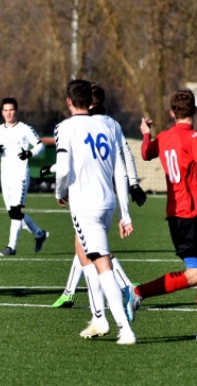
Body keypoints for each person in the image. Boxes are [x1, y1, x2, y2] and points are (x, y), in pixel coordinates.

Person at [125, 89, 197, 342]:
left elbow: (146, 153)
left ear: (171, 113)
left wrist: (146, 134)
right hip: (191, 216)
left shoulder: (165, 136)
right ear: (196, 111)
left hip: (177, 215)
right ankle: (137, 292)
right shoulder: (194, 138)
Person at [54, 79, 136, 344]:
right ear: (90, 100)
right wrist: (125, 213)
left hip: (85, 206)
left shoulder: (65, 127)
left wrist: (59, 191)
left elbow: (63, 168)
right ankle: (98, 317)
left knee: (102, 264)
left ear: (69, 101)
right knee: (84, 253)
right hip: (108, 203)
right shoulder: (109, 124)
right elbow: (120, 171)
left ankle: (125, 329)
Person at [0, 97, 49, 256]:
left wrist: (30, 153)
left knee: (16, 211)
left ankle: (11, 247)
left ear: (16, 111)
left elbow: (40, 145)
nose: (8, 113)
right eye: (6, 110)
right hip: (5, 176)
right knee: (14, 214)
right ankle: (39, 234)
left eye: (11, 110)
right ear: (2, 112)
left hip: (20, 175)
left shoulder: (25, 129)